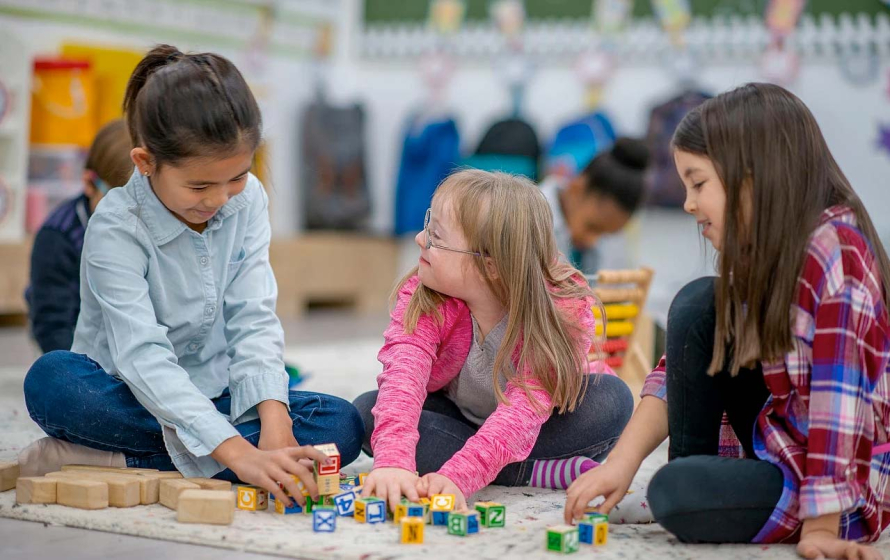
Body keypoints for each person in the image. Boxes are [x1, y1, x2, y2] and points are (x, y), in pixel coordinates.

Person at [19, 45, 363, 507]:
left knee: (341, 424)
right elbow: (143, 359)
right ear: (145, 163)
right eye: (200, 186)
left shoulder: (249, 200)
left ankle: (114, 459)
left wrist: (276, 425)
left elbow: (254, 318)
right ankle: (213, 457)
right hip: (126, 394)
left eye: (237, 176)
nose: (220, 198)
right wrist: (240, 453)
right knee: (52, 382)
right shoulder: (116, 225)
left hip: (216, 394)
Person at [564, 83, 889, 560]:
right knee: (699, 304)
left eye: (698, 184)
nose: (688, 203)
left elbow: (837, 405)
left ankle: (696, 490)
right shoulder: (757, 258)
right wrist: (619, 465)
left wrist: (821, 528)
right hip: (776, 445)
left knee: (677, 493)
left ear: (751, 178)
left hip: (835, 489)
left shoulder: (834, 251)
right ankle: (699, 479)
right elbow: (673, 369)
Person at [354, 169, 633, 512]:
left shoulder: (564, 308)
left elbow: (523, 412)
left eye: (436, 236)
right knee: (369, 411)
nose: (420, 239)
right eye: (429, 225)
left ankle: (507, 468)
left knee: (611, 400)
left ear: (491, 265)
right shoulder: (426, 293)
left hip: (538, 426)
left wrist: (460, 475)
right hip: (456, 417)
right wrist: (394, 462)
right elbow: (403, 376)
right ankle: (538, 473)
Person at [26, 119, 132, 353]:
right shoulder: (58, 237)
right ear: (89, 184)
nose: (129, 217)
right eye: (118, 203)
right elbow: (52, 324)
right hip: (77, 346)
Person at [540, 137, 649, 275]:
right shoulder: (527, 220)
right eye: (592, 227)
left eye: (606, 234)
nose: (593, 241)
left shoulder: (613, 235)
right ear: (576, 188)